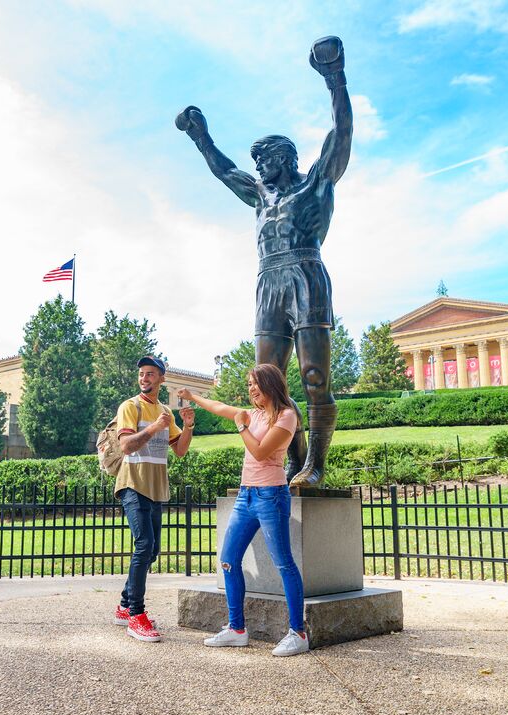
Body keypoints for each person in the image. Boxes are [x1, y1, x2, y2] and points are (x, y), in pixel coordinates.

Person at [176, 36, 353, 488]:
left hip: (305, 275)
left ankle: (315, 464)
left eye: (264, 159)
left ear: (285, 158)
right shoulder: (259, 196)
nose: (257, 167)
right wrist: (201, 136)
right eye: (255, 160)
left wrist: (334, 78)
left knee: (314, 375)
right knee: (268, 383)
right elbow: (223, 169)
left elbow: (341, 134)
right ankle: (290, 462)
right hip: (268, 282)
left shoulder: (315, 183)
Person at [177, 364, 309, 657]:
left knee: (284, 563)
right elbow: (218, 406)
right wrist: (192, 395)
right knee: (228, 559)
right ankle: (237, 629)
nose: (251, 389)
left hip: (271, 496)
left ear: (270, 384)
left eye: (255, 384)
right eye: (249, 384)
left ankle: (298, 633)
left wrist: (240, 425)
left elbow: (261, 451)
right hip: (246, 496)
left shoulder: (286, 416)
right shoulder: (254, 414)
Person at [112, 356, 194, 642]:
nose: (144, 378)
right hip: (133, 484)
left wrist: (189, 427)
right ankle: (136, 614)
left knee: (153, 550)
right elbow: (125, 445)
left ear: (161, 378)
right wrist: (153, 428)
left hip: (155, 487)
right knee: (144, 544)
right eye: (141, 375)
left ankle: (124, 605)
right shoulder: (130, 407)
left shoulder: (164, 412)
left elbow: (180, 450)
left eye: (150, 374)